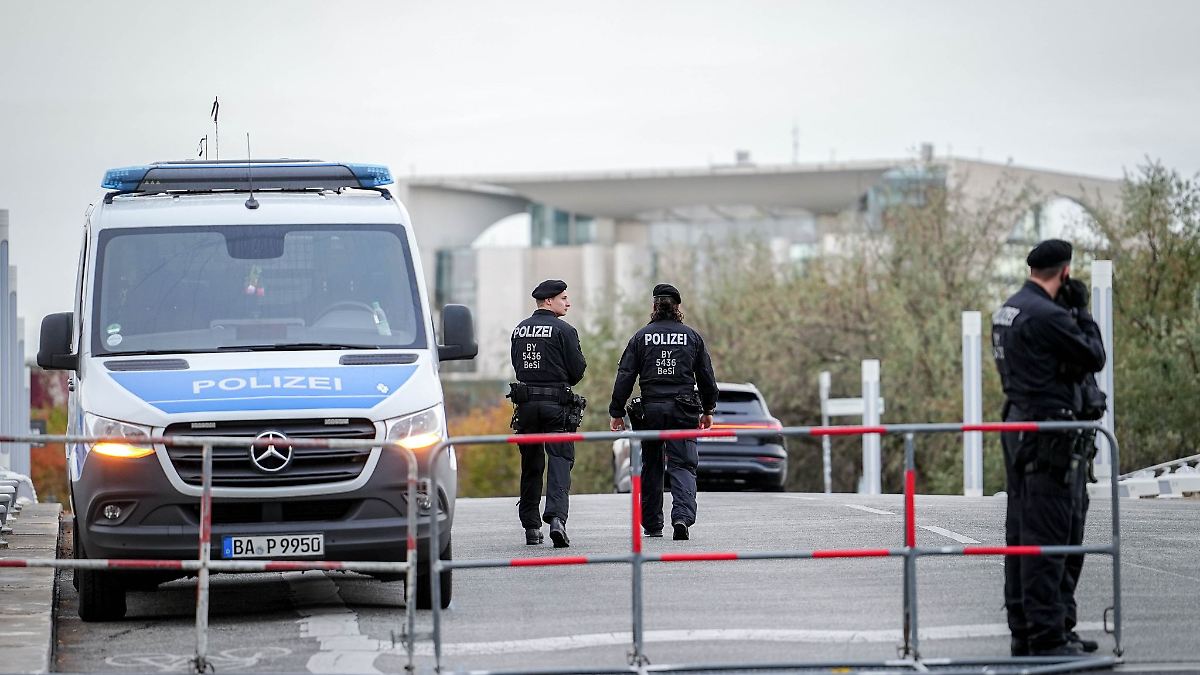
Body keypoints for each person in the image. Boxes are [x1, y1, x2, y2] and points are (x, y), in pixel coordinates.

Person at [991, 239, 1106, 657]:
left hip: (1020, 428)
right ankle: (1048, 637)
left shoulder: (1009, 309)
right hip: (1049, 436)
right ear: (1065, 272)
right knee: (1053, 536)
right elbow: (1094, 356)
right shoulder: (1048, 316)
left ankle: (1030, 630)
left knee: (1023, 534)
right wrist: (1083, 312)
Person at [608, 283, 718, 541]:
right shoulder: (691, 337)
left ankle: (652, 523)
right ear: (677, 307)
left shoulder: (641, 337)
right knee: (683, 464)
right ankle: (681, 518)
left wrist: (616, 411)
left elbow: (625, 375)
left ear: (654, 307)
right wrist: (708, 408)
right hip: (683, 409)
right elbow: (706, 376)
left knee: (651, 465)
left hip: (650, 410)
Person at [509, 279, 587, 548]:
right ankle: (556, 520)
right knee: (560, 461)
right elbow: (577, 371)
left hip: (527, 406)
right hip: (557, 406)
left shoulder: (520, 329)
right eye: (564, 298)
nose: (568, 303)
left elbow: (517, 366)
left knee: (531, 465)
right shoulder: (565, 330)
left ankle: (531, 527)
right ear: (549, 301)